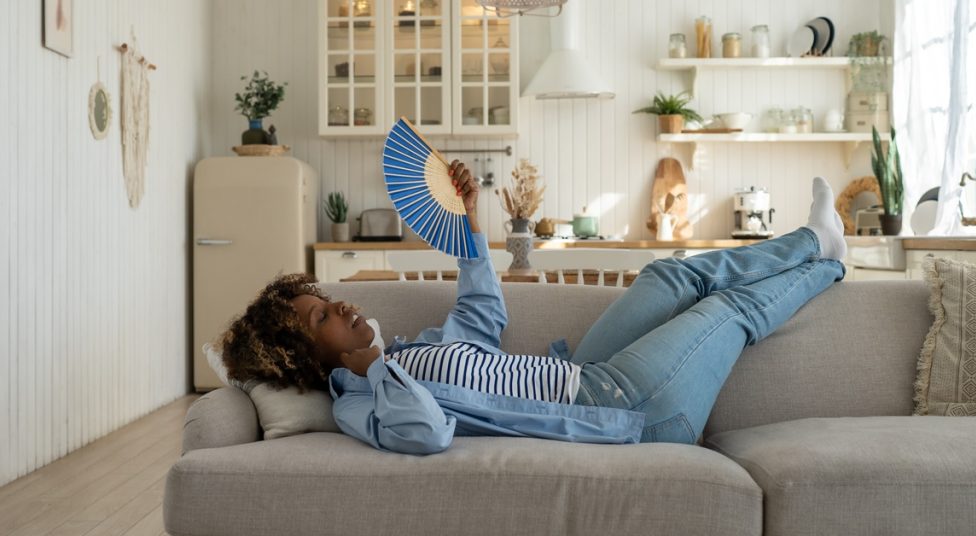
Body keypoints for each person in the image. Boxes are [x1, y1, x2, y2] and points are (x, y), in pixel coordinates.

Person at [220, 160, 847, 455]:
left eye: (327, 300)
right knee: (722, 312)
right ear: (305, 355)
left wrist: (466, 224)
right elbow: (428, 433)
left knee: (665, 278)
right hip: (624, 408)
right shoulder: (365, 402)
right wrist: (374, 365)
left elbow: (484, 313)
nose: (341, 308)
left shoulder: (417, 350)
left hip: (586, 373)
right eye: (319, 317)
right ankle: (826, 255)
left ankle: (812, 241)